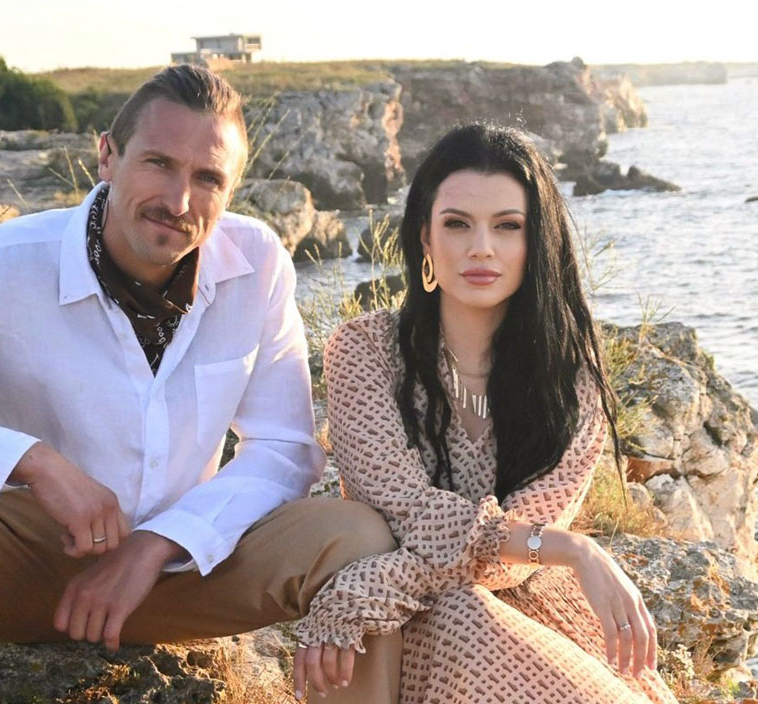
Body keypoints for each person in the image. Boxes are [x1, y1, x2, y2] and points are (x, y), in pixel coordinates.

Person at [0, 65, 401, 704]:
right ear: (107, 156)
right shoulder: (7, 270)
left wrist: (157, 543)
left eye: (208, 179)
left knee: (360, 542)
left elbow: (284, 450)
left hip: (181, 574)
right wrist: (30, 461)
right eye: (159, 163)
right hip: (17, 571)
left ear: (230, 190)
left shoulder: (259, 264)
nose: (179, 201)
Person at [289, 124, 678, 703]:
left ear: (537, 240)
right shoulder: (365, 351)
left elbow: (515, 557)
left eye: (507, 226)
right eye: (457, 224)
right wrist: (572, 549)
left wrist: (364, 587)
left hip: (529, 610)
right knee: (467, 613)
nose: (481, 248)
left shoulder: (570, 373)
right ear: (425, 235)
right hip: (414, 622)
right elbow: (404, 512)